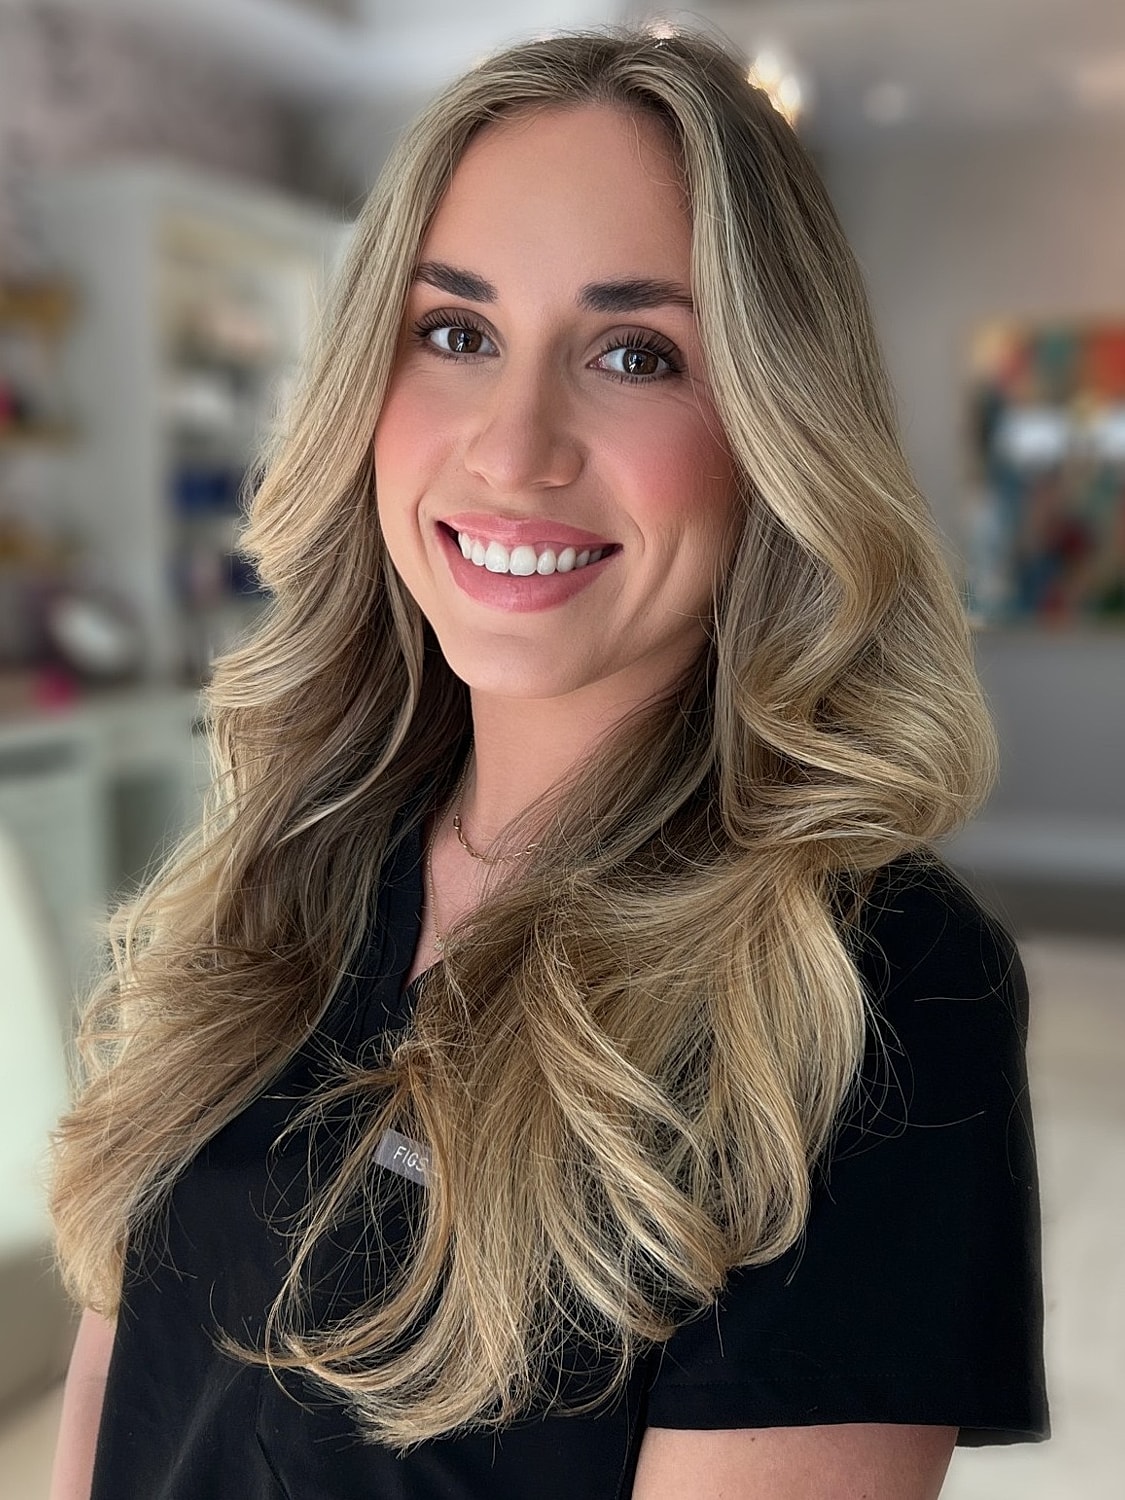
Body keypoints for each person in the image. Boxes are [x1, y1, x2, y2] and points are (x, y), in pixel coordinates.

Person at [48, 27, 1048, 1500]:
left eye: (635, 353)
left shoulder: (869, 987)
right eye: (455, 333)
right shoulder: (290, 852)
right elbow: (116, 1388)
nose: (515, 450)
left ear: (773, 432)